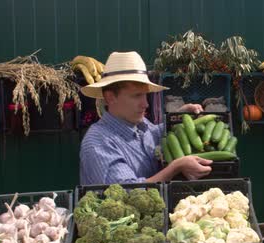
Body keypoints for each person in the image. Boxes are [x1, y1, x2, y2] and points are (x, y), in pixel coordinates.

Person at [79, 51, 213, 185]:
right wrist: (175, 167)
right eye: (137, 96)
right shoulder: (98, 142)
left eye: (145, 95)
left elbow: (156, 132)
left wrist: (178, 116)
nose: (146, 104)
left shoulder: (140, 124)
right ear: (110, 97)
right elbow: (127, 192)